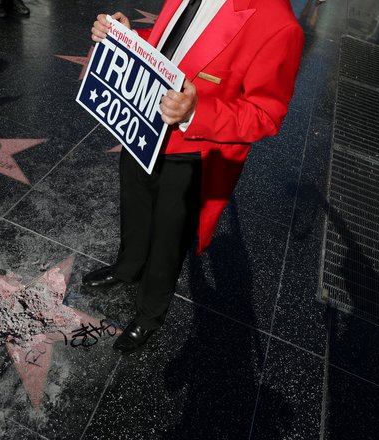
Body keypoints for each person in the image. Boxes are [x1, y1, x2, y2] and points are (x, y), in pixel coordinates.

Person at [84, 0, 304, 354]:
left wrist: (197, 111)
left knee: (170, 239)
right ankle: (127, 267)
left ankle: (150, 313)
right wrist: (127, 38)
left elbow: (266, 115)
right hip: (141, 121)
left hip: (193, 147)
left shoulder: (281, 25)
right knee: (134, 202)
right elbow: (172, 46)